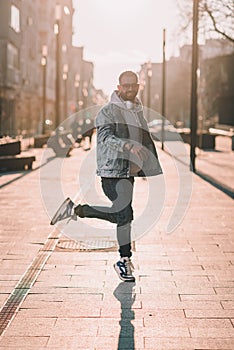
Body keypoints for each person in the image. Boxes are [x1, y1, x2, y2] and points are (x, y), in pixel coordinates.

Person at [50, 71, 163, 282]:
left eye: (133, 85)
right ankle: (124, 260)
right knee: (123, 216)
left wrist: (146, 165)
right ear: (118, 87)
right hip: (111, 173)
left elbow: (144, 138)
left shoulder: (137, 111)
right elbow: (105, 138)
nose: (130, 89)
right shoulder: (107, 111)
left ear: (138, 86)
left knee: (124, 216)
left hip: (129, 173)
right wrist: (127, 145)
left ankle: (75, 210)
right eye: (125, 86)